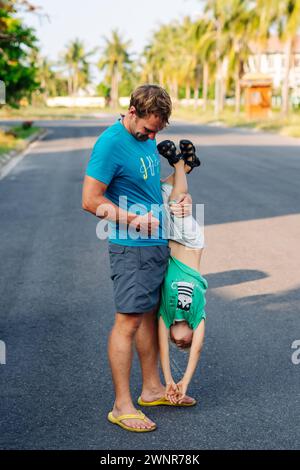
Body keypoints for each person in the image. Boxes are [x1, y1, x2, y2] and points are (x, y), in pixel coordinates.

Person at [82, 84, 195, 433]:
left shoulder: (145, 139)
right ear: (132, 112)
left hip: (154, 245)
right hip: (130, 248)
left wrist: (176, 194)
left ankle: (151, 390)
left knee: (148, 318)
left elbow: (145, 186)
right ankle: (121, 405)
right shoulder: (111, 144)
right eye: (148, 128)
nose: (151, 135)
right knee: (128, 322)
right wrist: (133, 220)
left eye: (157, 130)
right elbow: (90, 200)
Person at [140, 139, 208, 407]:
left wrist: (169, 380)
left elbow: (163, 349)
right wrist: (185, 381)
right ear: (191, 334)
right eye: (186, 346)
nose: (183, 346)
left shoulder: (166, 315)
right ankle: (180, 163)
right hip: (192, 244)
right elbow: (198, 350)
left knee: (161, 194)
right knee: (177, 203)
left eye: (178, 345)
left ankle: (185, 167)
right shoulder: (196, 314)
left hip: (170, 242)